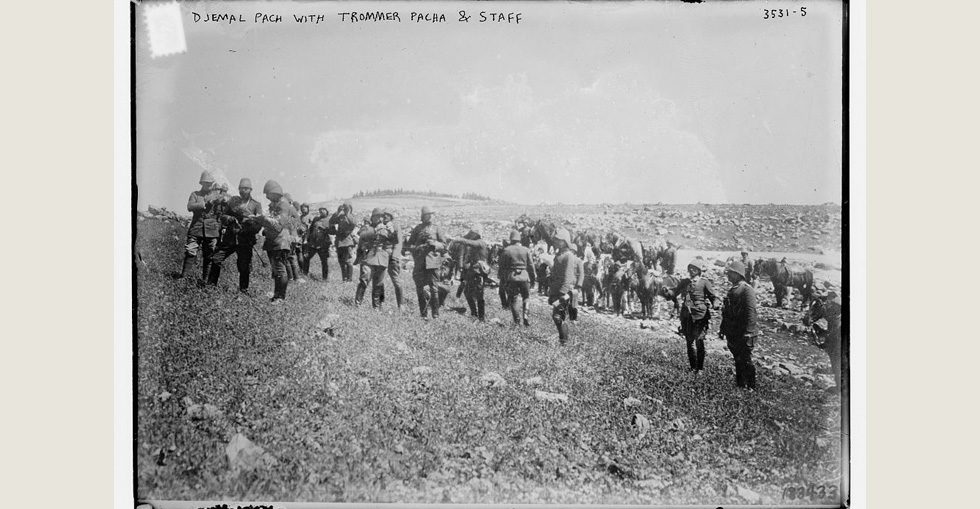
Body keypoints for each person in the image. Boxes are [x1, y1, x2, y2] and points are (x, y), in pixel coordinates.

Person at [207, 178, 263, 292]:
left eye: (246, 189)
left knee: (244, 265)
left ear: (250, 190)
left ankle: (243, 289)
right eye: (241, 188)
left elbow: (259, 224)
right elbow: (222, 216)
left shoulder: (256, 205)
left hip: (245, 239)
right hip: (230, 237)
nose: (243, 191)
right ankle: (211, 286)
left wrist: (249, 227)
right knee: (217, 258)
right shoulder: (233, 201)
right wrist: (229, 218)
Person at [673, 258, 720, 373]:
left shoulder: (704, 282)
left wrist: (715, 303)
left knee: (699, 341)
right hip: (686, 315)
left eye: (695, 268)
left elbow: (713, 296)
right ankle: (692, 366)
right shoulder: (684, 282)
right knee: (689, 341)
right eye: (690, 268)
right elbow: (674, 292)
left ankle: (700, 368)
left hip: (700, 315)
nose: (692, 270)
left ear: (699, 270)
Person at [256, 180, 297, 303]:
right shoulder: (276, 203)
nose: (267, 197)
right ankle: (276, 294)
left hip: (280, 241)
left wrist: (263, 219)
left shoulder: (283, 204)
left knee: (280, 269)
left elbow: (278, 225)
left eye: (268, 194)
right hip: (274, 240)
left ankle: (280, 297)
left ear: (274, 192)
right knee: (276, 270)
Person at [720, 260, 759, 389]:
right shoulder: (734, 289)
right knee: (737, 358)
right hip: (734, 331)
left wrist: (748, 331)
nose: (728, 276)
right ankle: (740, 385)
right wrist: (723, 328)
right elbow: (726, 312)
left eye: (731, 273)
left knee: (746, 359)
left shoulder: (747, 290)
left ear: (738, 274)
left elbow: (751, 312)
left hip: (744, 332)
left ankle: (751, 387)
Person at [404, 206, 448, 319]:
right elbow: (409, 245)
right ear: (422, 216)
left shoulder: (437, 228)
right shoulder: (417, 229)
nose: (429, 217)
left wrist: (435, 244)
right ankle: (423, 314)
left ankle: (435, 315)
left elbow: (444, 246)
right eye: (427, 215)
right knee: (420, 288)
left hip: (433, 262)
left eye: (431, 214)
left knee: (434, 288)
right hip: (420, 262)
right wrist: (419, 247)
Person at [180, 171, 223, 281]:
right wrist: (204, 205)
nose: (208, 185)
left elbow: (222, 212)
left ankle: (205, 281)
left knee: (209, 254)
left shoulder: (217, 196)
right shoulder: (195, 194)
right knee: (190, 250)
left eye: (210, 183)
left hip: (212, 229)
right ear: (201, 183)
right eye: (205, 183)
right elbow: (190, 206)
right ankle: (183, 278)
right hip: (197, 227)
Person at [548, 229, 584, 345]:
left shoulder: (568, 256)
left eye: (560, 241)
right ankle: (563, 340)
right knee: (558, 317)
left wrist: (562, 293)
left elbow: (568, 277)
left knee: (558, 316)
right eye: (557, 240)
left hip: (563, 292)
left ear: (565, 242)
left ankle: (564, 342)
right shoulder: (560, 255)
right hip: (556, 290)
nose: (557, 243)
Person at [355, 208, 396, 308]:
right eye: (377, 217)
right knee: (364, 280)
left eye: (381, 217)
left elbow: (395, 240)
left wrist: (391, 231)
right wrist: (375, 230)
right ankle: (357, 304)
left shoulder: (385, 228)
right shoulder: (367, 227)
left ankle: (376, 306)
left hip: (381, 258)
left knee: (378, 284)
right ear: (372, 218)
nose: (380, 219)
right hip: (369, 257)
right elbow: (362, 235)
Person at [449, 228, 491, 321]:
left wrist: (457, 239)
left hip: (478, 272)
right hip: (473, 271)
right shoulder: (476, 243)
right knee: (468, 292)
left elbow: (468, 242)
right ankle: (475, 314)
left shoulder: (480, 242)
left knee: (479, 294)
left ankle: (480, 316)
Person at [498, 230, 536, 326]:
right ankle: (525, 316)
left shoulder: (507, 250)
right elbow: (531, 266)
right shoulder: (526, 250)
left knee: (514, 300)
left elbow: (502, 266)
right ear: (520, 239)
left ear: (511, 239)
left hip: (512, 278)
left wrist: (502, 278)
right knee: (526, 297)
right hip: (524, 277)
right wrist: (533, 279)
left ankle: (517, 321)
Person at [381, 209, 404, 310]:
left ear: (391, 217)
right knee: (379, 280)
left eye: (388, 215)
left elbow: (398, 244)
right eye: (384, 215)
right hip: (381, 256)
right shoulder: (380, 227)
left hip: (392, 258)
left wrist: (395, 257)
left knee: (396, 281)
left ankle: (401, 304)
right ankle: (380, 303)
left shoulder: (395, 226)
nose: (385, 217)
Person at [328, 202, 357, 282]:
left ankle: (349, 279)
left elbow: (353, 223)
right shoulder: (340, 216)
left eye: (347, 208)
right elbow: (331, 221)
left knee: (348, 261)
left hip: (348, 241)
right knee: (341, 261)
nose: (345, 210)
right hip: (340, 242)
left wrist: (347, 213)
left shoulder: (351, 216)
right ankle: (344, 278)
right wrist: (337, 212)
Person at [304, 206, 333, 280]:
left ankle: (324, 278)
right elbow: (310, 230)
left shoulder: (330, 220)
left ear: (327, 211)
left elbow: (333, 231)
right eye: (320, 210)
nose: (322, 211)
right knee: (306, 257)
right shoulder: (315, 219)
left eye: (323, 210)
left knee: (324, 261)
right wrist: (307, 239)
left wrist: (326, 230)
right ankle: (305, 273)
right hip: (313, 243)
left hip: (323, 244)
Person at [296, 203, 313, 275]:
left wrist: (308, 225)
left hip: (307, 237)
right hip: (300, 237)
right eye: (302, 208)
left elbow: (313, 226)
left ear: (308, 208)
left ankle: (306, 271)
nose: (303, 209)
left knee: (306, 255)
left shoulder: (310, 216)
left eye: (305, 208)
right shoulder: (300, 217)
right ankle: (301, 269)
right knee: (299, 255)